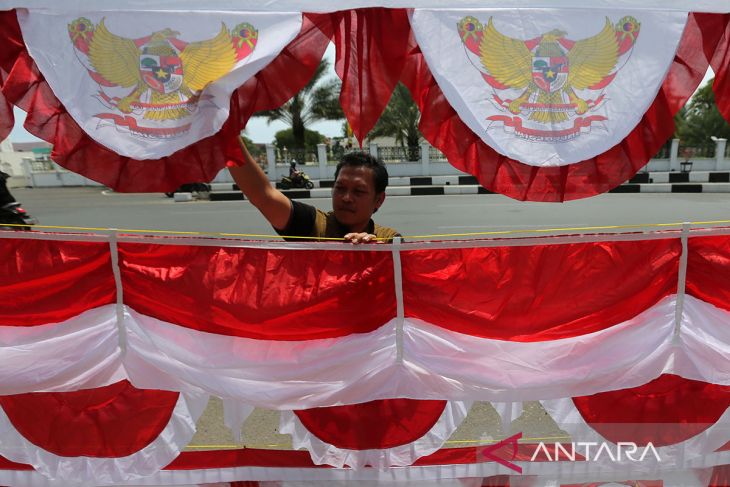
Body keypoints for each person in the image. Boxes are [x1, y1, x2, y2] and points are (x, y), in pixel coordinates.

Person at [230, 139, 399, 243]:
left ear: (379, 200)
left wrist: (378, 256)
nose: (346, 198)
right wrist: (225, 131)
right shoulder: (311, 224)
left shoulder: (389, 240)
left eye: (359, 191)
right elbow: (263, 195)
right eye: (340, 188)